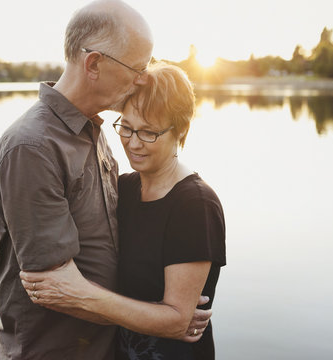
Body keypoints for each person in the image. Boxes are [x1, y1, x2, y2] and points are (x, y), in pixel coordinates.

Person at [0, 1, 209, 359]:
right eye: (137, 68)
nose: (143, 78)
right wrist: (165, 321)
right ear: (94, 64)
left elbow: (96, 268)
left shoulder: (94, 131)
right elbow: (57, 289)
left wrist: (165, 310)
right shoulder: (33, 147)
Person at [20, 62, 226, 360]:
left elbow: (177, 320)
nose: (133, 143)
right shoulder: (123, 188)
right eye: (126, 127)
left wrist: (81, 294)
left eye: (149, 133)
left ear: (180, 129)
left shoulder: (195, 205)